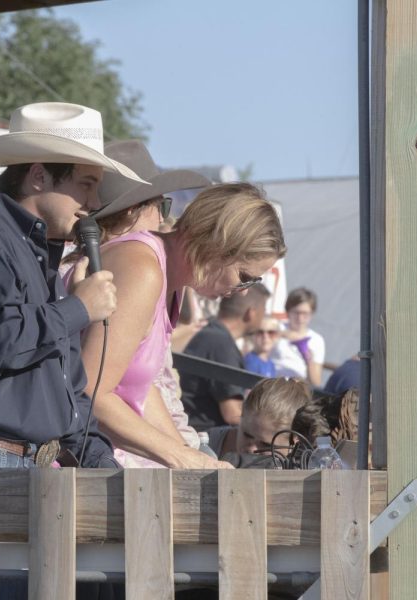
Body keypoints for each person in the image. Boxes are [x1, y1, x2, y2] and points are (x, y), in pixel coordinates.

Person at [0, 102, 147, 472]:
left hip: (16, 461)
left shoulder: (40, 258)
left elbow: (64, 382)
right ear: (38, 177)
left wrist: (98, 456)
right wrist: (78, 308)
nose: (95, 203)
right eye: (86, 184)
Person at [75, 146, 285, 468]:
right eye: (244, 277)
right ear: (220, 245)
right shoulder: (143, 270)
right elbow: (90, 393)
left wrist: (194, 458)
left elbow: (141, 392)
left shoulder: (166, 282)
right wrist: (184, 457)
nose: (242, 293)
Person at [65, 139, 224, 468]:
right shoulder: (134, 271)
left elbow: (139, 385)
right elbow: (100, 391)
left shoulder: (118, 269)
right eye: (161, 208)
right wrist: (182, 455)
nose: (165, 222)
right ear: (130, 212)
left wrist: (183, 454)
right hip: (105, 460)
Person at [179, 283, 272, 429]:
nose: (264, 316)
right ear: (251, 313)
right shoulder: (221, 344)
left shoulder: (210, 333)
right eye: (264, 310)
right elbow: (233, 413)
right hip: (204, 438)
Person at [208, 377, 313, 459]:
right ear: (242, 414)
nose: (252, 450)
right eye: (247, 435)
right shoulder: (208, 445)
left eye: (265, 445)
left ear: (295, 440)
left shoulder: (310, 469)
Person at [271, 287, 325, 385]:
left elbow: (316, 383)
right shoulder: (276, 327)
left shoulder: (317, 340)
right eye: (296, 313)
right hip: (272, 382)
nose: (300, 318)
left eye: (305, 314)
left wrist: (309, 360)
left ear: (312, 313)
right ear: (288, 311)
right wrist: (285, 334)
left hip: (296, 388)